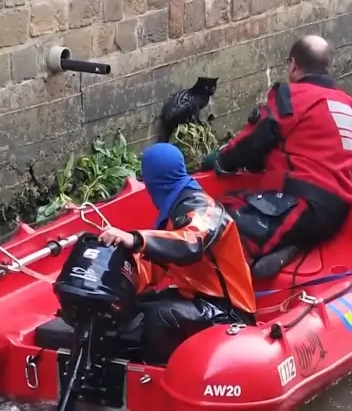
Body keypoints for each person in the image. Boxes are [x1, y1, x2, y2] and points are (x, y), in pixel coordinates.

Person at [201, 35, 352, 279]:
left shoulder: (290, 96)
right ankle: (294, 245)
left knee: (216, 223)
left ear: (292, 64)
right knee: (246, 203)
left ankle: (233, 286)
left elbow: (254, 140)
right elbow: (345, 151)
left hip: (299, 203)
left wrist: (221, 159)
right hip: (336, 212)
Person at [98, 143, 256, 365]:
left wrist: (135, 239)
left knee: (161, 316)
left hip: (230, 311)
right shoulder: (174, 212)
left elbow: (190, 245)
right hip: (194, 298)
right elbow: (154, 263)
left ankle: (155, 376)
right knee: (132, 307)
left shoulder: (204, 209)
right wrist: (115, 281)